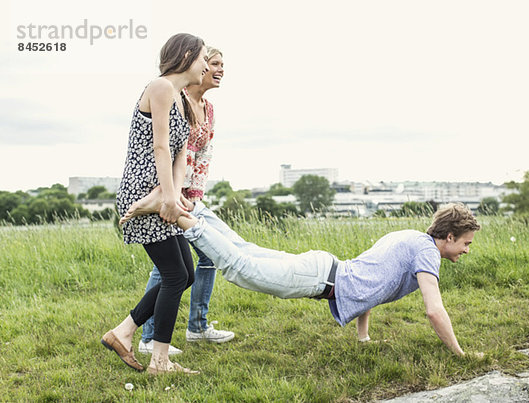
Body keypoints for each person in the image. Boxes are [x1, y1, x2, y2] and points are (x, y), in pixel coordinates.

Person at [121, 189, 481, 356]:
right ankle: (177, 212)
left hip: (324, 267)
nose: (465, 250)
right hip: (319, 278)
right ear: (448, 237)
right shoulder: (427, 256)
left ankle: (193, 206)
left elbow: (372, 286)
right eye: (465, 243)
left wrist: (364, 337)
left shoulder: (409, 237)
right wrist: (461, 354)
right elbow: (434, 310)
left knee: (243, 250)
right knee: (239, 266)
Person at [101, 33, 208, 375]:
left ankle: (123, 332)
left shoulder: (180, 98)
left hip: (161, 191)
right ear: (188, 55)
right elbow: (160, 147)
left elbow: (179, 156)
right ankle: (159, 361)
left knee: (185, 273)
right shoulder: (161, 87)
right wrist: (165, 196)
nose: (206, 65)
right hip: (141, 188)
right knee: (176, 275)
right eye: (204, 57)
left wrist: (174, 197)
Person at [138, 46, 234, 357]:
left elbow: (204, 155)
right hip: (168, 193)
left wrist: (194, 195)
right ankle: (149, 336)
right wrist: (174, 193)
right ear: (199, 66)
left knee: (208, 256)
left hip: (191, 197)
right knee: (170, 267)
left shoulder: (209, 109)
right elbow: (171, 149)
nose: (219, 69)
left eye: (222, 64)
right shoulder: (175, 99)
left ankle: (197, 327)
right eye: (213, 62)